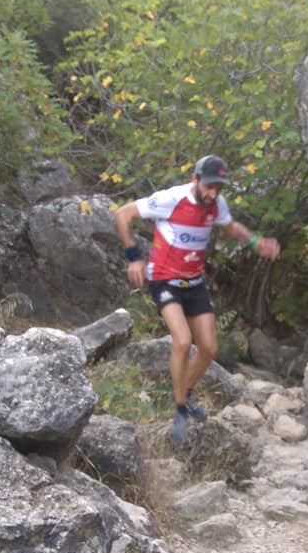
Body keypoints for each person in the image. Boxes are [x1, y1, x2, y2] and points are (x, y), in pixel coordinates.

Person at [114, 154, 280, 444]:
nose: (213, 193)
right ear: (195, 179)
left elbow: (231, 227)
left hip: (194, 282)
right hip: (164, 279)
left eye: (219, 188)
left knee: (209, 349)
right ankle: (180, 410)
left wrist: (256, 242)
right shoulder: (171, 199)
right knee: (182, 341)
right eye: (209, 186)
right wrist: (134, 258)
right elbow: (122, 214)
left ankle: (183, 393)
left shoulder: (216, 204)